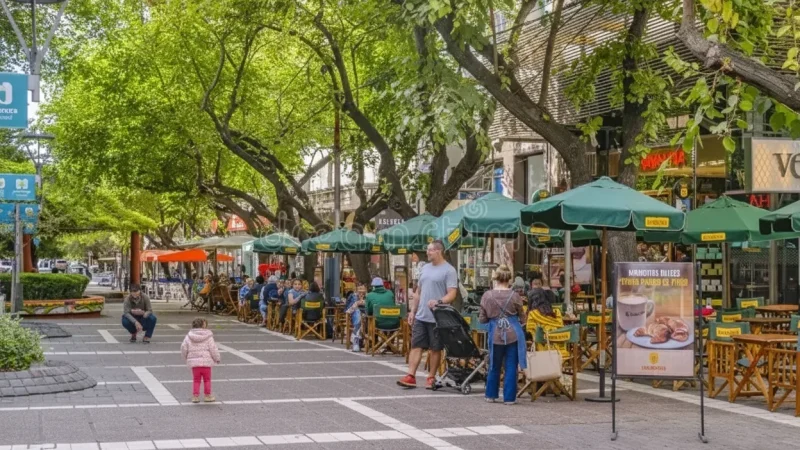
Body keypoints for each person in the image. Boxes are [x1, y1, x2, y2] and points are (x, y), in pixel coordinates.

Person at [398, 240, 458, 389]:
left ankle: (431, 377)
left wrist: (439, 301)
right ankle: (410, 375)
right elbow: (418, 291)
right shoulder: (424, 268)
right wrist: (413, 311)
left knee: (435, 348)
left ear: (438, 251)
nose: (427, 252)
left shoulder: (449, 270)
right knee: (416, 345)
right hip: (421, 315)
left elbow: (452, 294)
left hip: (438, 317)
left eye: (430, 250)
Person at [479, 264, 527, 404]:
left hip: (495, 333)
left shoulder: (487, 296)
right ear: (509, 279)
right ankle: (509, 398)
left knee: (494, 364)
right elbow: (523, 317)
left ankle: (491, 395)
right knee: (511, 365)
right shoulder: (515, 296)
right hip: (513, 333)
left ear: (496, 278)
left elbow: (482, 319)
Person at [180, 317, 221, 403]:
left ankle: (195, 396)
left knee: (196, 380)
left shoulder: (189, 336)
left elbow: (183, 347)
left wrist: (186, 358)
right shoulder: (208, 336)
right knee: (207, 380)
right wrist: (217, 358)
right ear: (204, 326)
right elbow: (213, 348)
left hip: (194, 363)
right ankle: (207, 395)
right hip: (206, 363)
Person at [346, 282, 368, 351]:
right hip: (355, 316)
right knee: (358, 313)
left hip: (367, 318)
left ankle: (356, 340)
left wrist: (364, 302)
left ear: (366, 290)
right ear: (356, 289)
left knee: (363, 317)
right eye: (360, 289)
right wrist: (356, 304)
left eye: (363, 289)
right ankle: (356, 341)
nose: (361, 291)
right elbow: (348, 310)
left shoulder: (368, 297)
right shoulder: (353, 296)